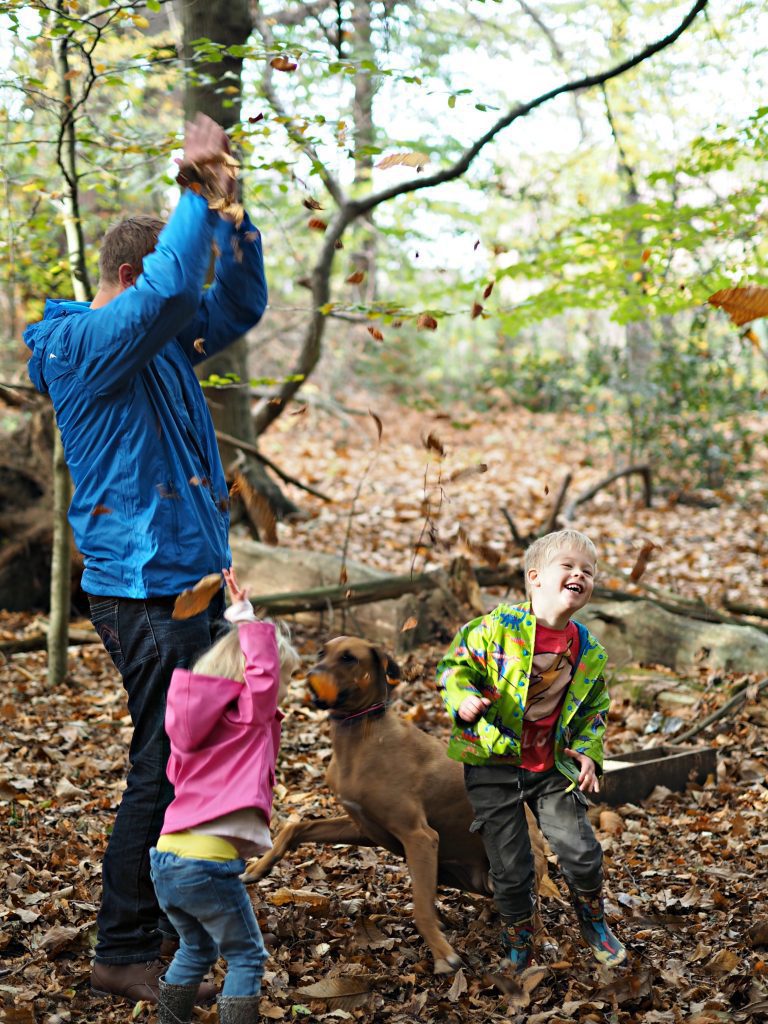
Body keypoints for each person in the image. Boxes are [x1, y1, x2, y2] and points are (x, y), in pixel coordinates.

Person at [23, 114, 268, 1003]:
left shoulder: (157, 341)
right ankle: (122, 945)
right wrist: (192, 189)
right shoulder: (90, 346)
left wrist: (231, 219)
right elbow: (171, 296)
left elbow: (233, 306)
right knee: (161, 764)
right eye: (169, 269)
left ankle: (168, 918)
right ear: (129, 278)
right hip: (142, 592)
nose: (180, 292)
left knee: (192, 759)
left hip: (191, 583)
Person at [436, 529, 626, 971]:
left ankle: (592, 920)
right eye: (570, 566)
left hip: (550, 767)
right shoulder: (495, 628)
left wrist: (586, 750)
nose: (580, 574)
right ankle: (519, 937)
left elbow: (595, 707)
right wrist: (462, 699)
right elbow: (453, 666)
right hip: (492, 764)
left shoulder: (588, 650)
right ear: (535, 577)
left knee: (579, 851)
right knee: (512, 866)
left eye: (589, 571)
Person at [150, 566, 299, 1024]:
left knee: (195, 948)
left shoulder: (192, 728)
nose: (280, 693)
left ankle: (167, 1020)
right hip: (207, 864)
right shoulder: (248, 718)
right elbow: (262, 679)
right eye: (281, 683)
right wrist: (245, 618)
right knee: (248, 957)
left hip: (167, 861)